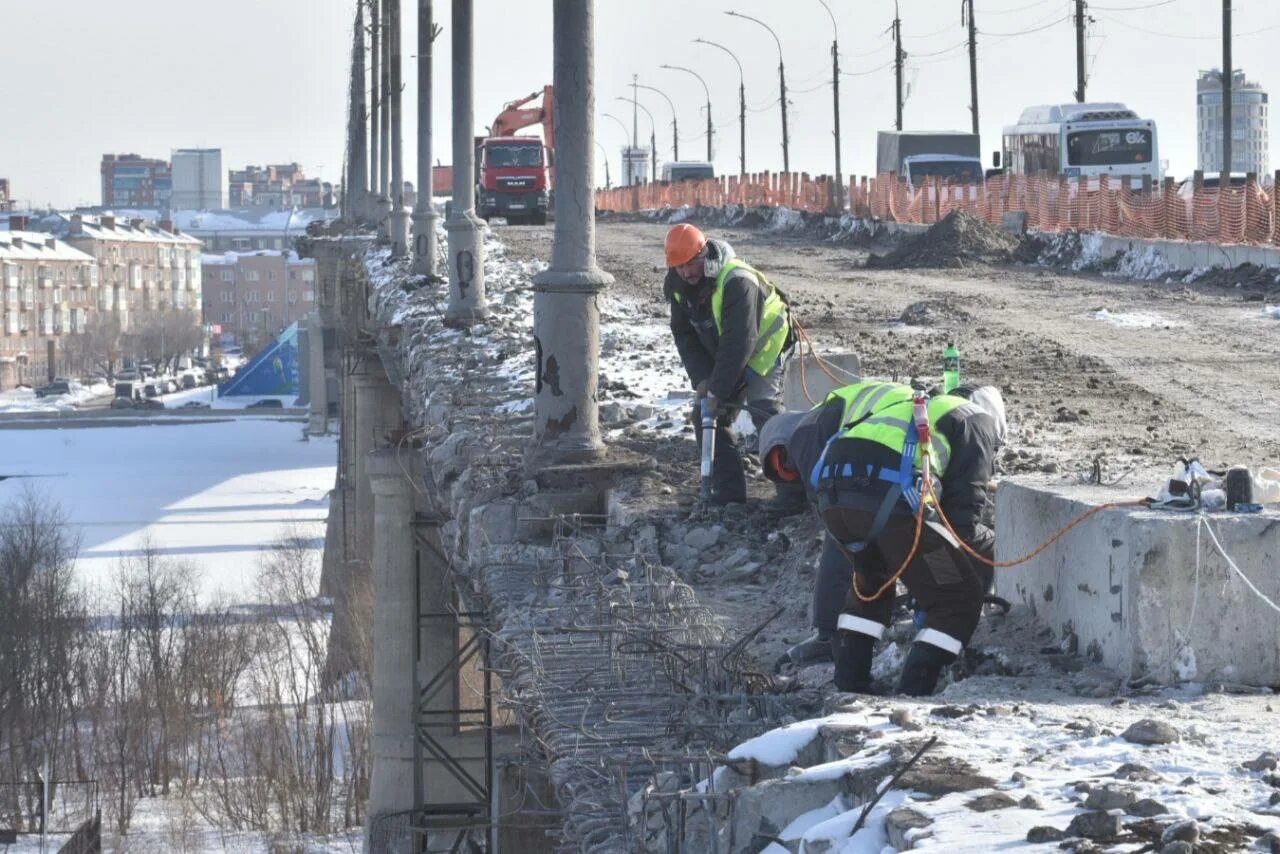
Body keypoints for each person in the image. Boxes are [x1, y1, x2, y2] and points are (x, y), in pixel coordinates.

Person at [760, 380, 1008, 695]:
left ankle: (851, 684)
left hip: (836, 498)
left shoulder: (921, 409)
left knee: (872, 584)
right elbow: (961, 524)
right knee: (956, 599)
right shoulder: (978, 423)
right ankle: (913, 692)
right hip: (890, 503)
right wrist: (964, 562)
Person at [663, 223, 797, 506]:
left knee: (766, 414)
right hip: (726, 349)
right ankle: (729, 496)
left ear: (704, 253)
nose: (687, 272)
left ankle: (793, 494)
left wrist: (718, 391)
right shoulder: (677, 286)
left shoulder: (736, 281)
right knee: (706, 416)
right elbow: (684, 335)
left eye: (691, 263)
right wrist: (703, 382)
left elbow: (740, 342)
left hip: (763, 345)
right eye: (679, 267)